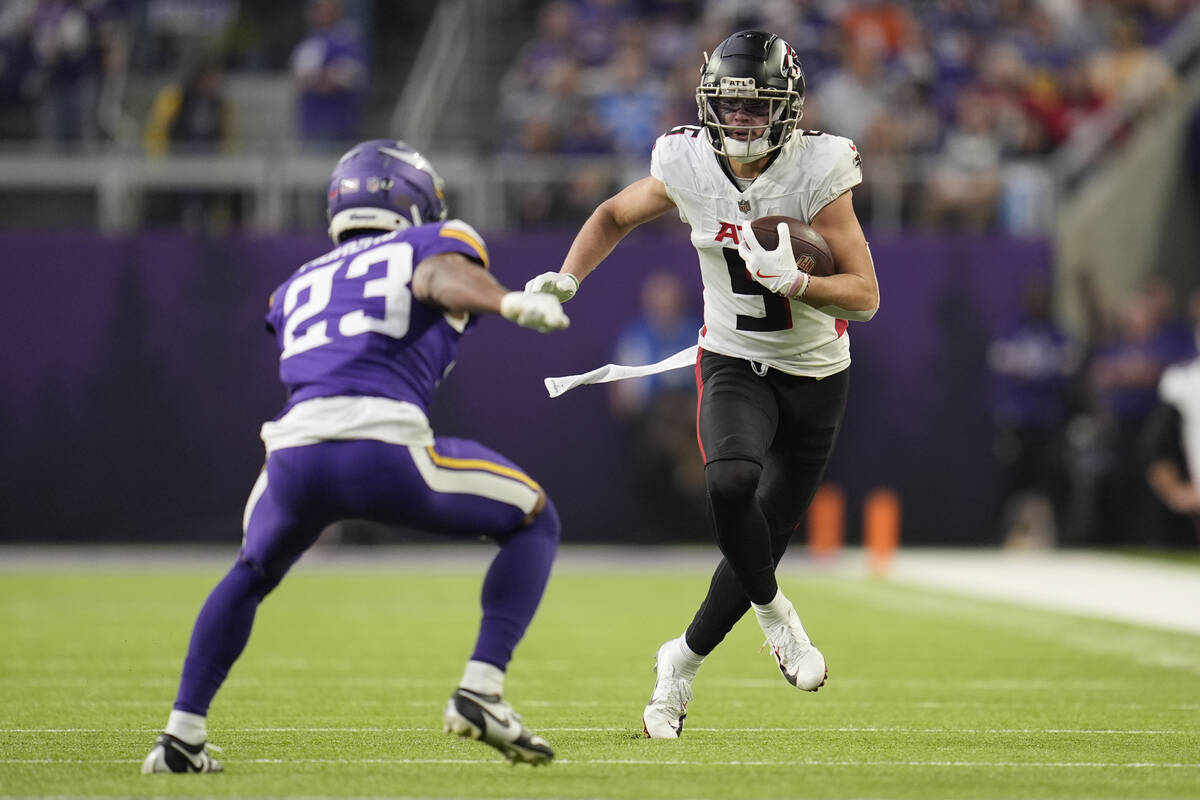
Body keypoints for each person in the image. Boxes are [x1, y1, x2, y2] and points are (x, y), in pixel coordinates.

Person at [141, 139, 570, 773]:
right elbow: (437, 277)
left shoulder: (294, 285)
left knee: (251, 572)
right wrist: (506, 301)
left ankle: (181, 736)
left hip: (291, 458)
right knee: (535, 516)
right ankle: (482, 689)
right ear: (414, 200)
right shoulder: (432, 242)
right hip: (381, 446)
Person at [526, 30, 879, 737]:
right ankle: (778, 619)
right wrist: (567, 278)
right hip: (732, 359)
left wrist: (803, 282)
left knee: (762, 541)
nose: (741, 122)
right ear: (706, 103)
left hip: (814, 374)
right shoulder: (686, 160)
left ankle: (679, 666)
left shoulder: (820, 169)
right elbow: (612, 214)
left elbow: (865, 295)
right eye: (729, 107)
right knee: (727, 485)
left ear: (789, 108)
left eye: (757, 109)